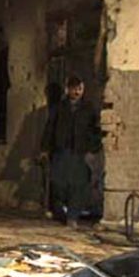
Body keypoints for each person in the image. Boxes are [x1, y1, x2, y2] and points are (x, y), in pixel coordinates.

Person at [40, 74, 102, 228]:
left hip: (79, 152)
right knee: (58, 183)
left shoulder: (88, 109)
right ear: (67, 90)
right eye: (74, 89)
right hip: (61, 151)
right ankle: (59, 211)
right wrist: (45, 149)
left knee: (78, 185)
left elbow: (96, 130)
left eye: (79, 89)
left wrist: (93, 149)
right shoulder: (59, 108)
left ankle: (72, 217)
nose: (77, 92)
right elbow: (50, 128)